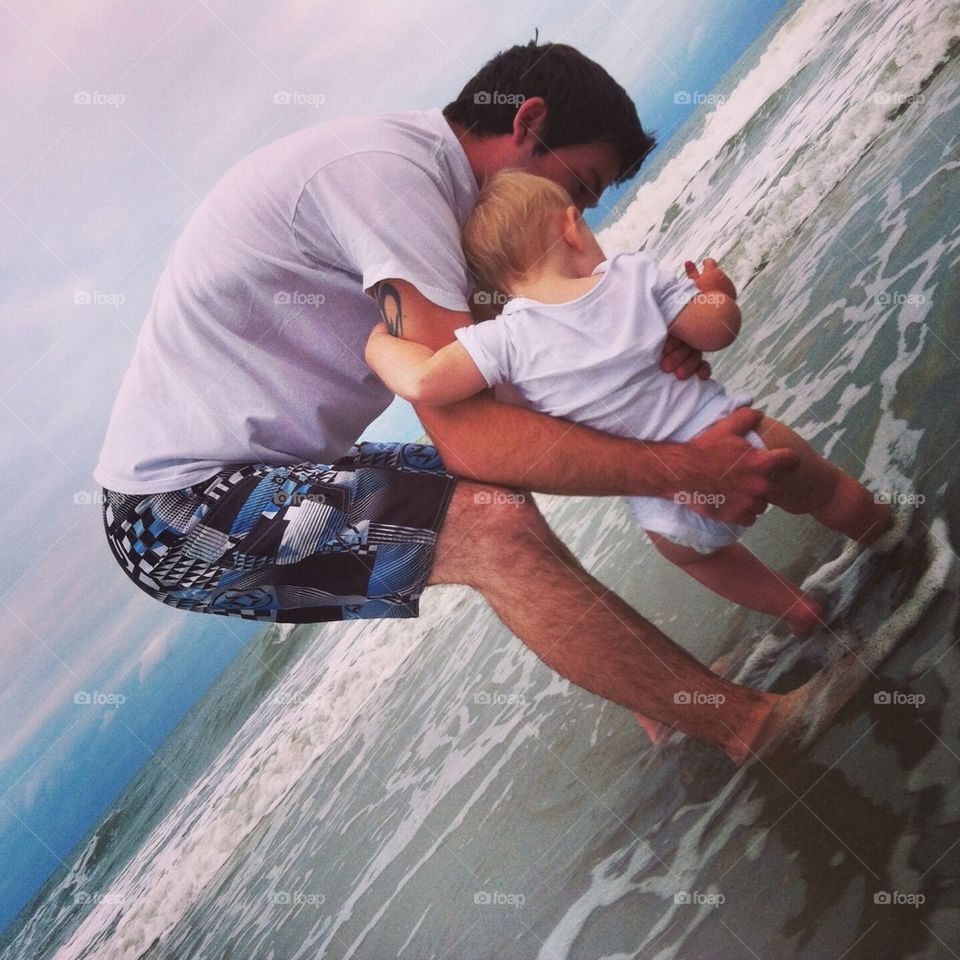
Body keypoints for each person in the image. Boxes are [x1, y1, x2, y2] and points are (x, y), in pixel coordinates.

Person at [93, 40, 822, 765]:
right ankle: (751, 727)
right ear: (528, 123)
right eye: (581, 187)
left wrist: (650, 361)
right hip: (172, 513)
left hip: (252, 470)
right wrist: (687, 469)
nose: (572, 217)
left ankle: (662, 706)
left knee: (496, 498)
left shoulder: (442, 206)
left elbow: (525, 391)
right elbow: (476, 437)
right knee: (487, 524)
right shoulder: (392, 183)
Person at [363, 169, 894, 643]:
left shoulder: (505, 342)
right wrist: (714, 289)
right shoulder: (632, 275)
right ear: (572, 226)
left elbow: (426, 382)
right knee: (826, 490)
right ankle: (889, 539)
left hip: (668, 507)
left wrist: (377, 346)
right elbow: (715, 331)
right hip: (742, 437)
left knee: (699, 559)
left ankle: (800, 609)